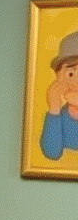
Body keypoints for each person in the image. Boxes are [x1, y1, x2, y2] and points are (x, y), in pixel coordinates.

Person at [39, 30, 78, 161]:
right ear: (59, 77)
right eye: (71, 74)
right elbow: (52, 153)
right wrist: (54, 108)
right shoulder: (61, 116)